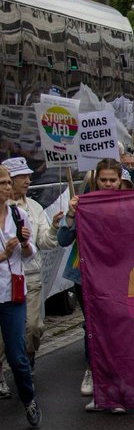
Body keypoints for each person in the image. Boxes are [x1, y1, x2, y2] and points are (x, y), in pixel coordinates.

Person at [57, 159, 125, 413]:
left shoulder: (128, 205)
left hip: (118, 280)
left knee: (117, 333)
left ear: (120, 181)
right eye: (103, 180)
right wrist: (72, 214)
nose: (108, 184)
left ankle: (120, 391)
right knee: (93, 331)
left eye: (112, 180)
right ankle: (100, 386)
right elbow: (63, 240)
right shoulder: (83, 205)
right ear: (96, 180)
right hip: (85, 278)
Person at [0, 158, 59, 373]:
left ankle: (27, 363)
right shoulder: (3, 209)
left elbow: (45, 241)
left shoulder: (33, 208)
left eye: (28, 176)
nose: (28, 180)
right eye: (22, 177)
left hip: (30, 277)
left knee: (33, 327)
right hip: (4, 278)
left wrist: (53, 228)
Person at [0, 165, 38, 427]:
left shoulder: (18, 213)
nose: (6, 187)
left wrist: (24, 244)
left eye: (6, 182)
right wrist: (2, 255)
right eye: (1, 183)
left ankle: (28, 398)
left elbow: (30, 254)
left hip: (12, 294)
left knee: (17, 356)